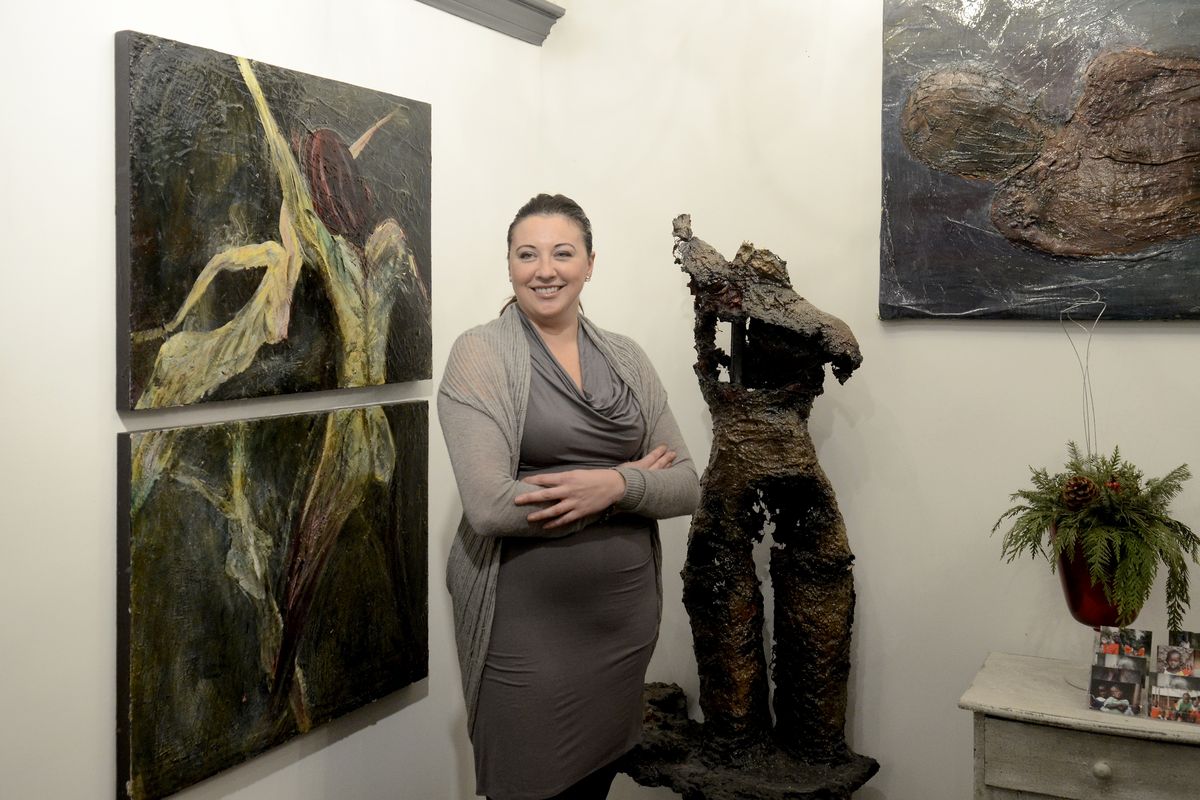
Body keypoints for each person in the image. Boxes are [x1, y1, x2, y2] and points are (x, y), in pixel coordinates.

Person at [440, 193, 701, 800]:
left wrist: (613, 483)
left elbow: (686, 482)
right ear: (509, 265)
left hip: (620, 631)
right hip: (528, 637)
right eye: (527, 254)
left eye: (563, 252)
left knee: (593, 791)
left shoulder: (627, 358)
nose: (545, 269)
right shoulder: (479, 353)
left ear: (589, 262)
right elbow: (489, 504)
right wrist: (631, 483)